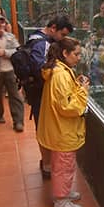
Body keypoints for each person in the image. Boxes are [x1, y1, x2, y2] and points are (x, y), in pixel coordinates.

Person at [36, 37, 90, 207]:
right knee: (63, 166)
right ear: (65, 54)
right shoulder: (60, 75)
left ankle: (64, 193)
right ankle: (61, 201)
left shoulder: (60, 71)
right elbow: (67, 106)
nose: (79, 57)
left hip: (59, 128)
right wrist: (83, 91)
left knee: (64, 165)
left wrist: (77, 86)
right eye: (76, 54)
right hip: (62, 130)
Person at [24, 14, 75, 179]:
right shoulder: (42, 44)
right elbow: (41, 69)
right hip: (41, 94)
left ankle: (47, 163)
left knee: (44, 128)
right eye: (63, 34)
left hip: (40, 93)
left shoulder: (36, 38)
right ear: (53, 28)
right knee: (44, 129)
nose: (63, 38)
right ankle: (47, 165)